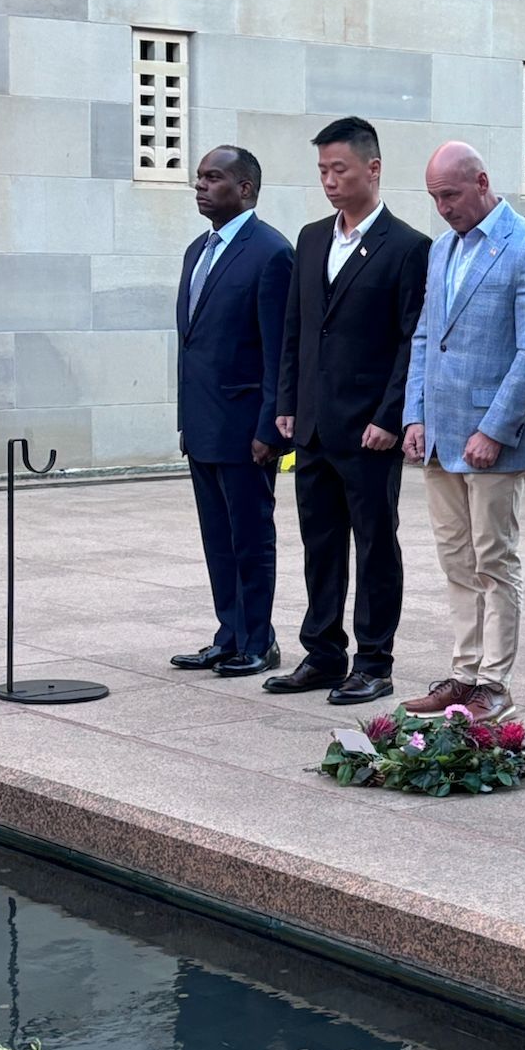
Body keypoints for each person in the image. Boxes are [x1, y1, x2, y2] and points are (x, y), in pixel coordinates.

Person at [266, 117, 430, 706]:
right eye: (322, 172)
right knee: (321, 542)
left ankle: (374, 660)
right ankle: (323, 652)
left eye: (340, 170)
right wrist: (287, 402)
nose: (330, 182)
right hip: (312, 423)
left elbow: (413, 340)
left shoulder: (409, 247)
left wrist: (391, 415)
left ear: (373, 169)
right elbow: (295, 328)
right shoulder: (311, 238)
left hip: (368, 429)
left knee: (376, 542)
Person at [401, 143, 525, 725]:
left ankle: (494, 682)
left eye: (450, 195)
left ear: (482, 182)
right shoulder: (442, 248)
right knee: (455, 559)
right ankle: (463, 672)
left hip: (492, 435)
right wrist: (414, 415)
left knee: (494, 557)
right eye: (434, 198)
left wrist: (495, 428)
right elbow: (425, 337)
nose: (442, 208)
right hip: (441, 434)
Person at [171, 147, 293, 679]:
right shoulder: (197, 249)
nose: (200, 185)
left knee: (250, 536)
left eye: (213, 177)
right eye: (199, 177)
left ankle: (258, 640)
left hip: (247, 427)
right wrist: (186, 419)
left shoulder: (270, 252)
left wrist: (270, 426)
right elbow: (194, 343)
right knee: (217, 538)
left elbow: (279, 350)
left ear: (244, 188)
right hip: (203, 423)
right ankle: (229, 634)